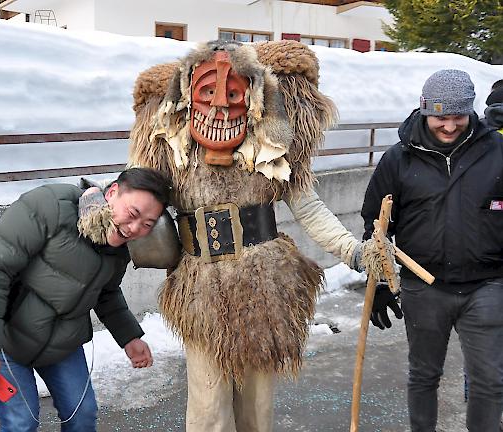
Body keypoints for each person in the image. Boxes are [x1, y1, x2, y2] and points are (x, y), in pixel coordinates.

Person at [128, 40, 379, 431]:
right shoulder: (170, 146)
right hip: (200, 290)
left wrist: (354, 251)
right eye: (208, 93)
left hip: (264, 286)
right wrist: (98, 205)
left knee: (255, 410)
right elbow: (134, 193)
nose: (219, 107)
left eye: (231, 94)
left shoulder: (271, 148)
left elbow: (309, 208)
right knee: (208, 409)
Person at [0, 167, 171, 432]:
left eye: (147, 224)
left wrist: (130, 337)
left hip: (64, 344)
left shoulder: (119, 247)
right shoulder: (50, 205)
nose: (134, 229)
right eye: (132, 214)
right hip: (7, 341)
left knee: (83, 416)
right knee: (21, 424)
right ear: (112, 193)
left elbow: (107, 292)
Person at [361, 69, 503, 432]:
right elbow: (375, 226)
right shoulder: (399, 158)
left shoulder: (497, 152)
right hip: (423, 287)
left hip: (487, 285)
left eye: (458, 116)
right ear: (424, 109)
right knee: (423, 374)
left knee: (489, 380)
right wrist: (378, 281)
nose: (450, 125)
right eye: (441, 116)